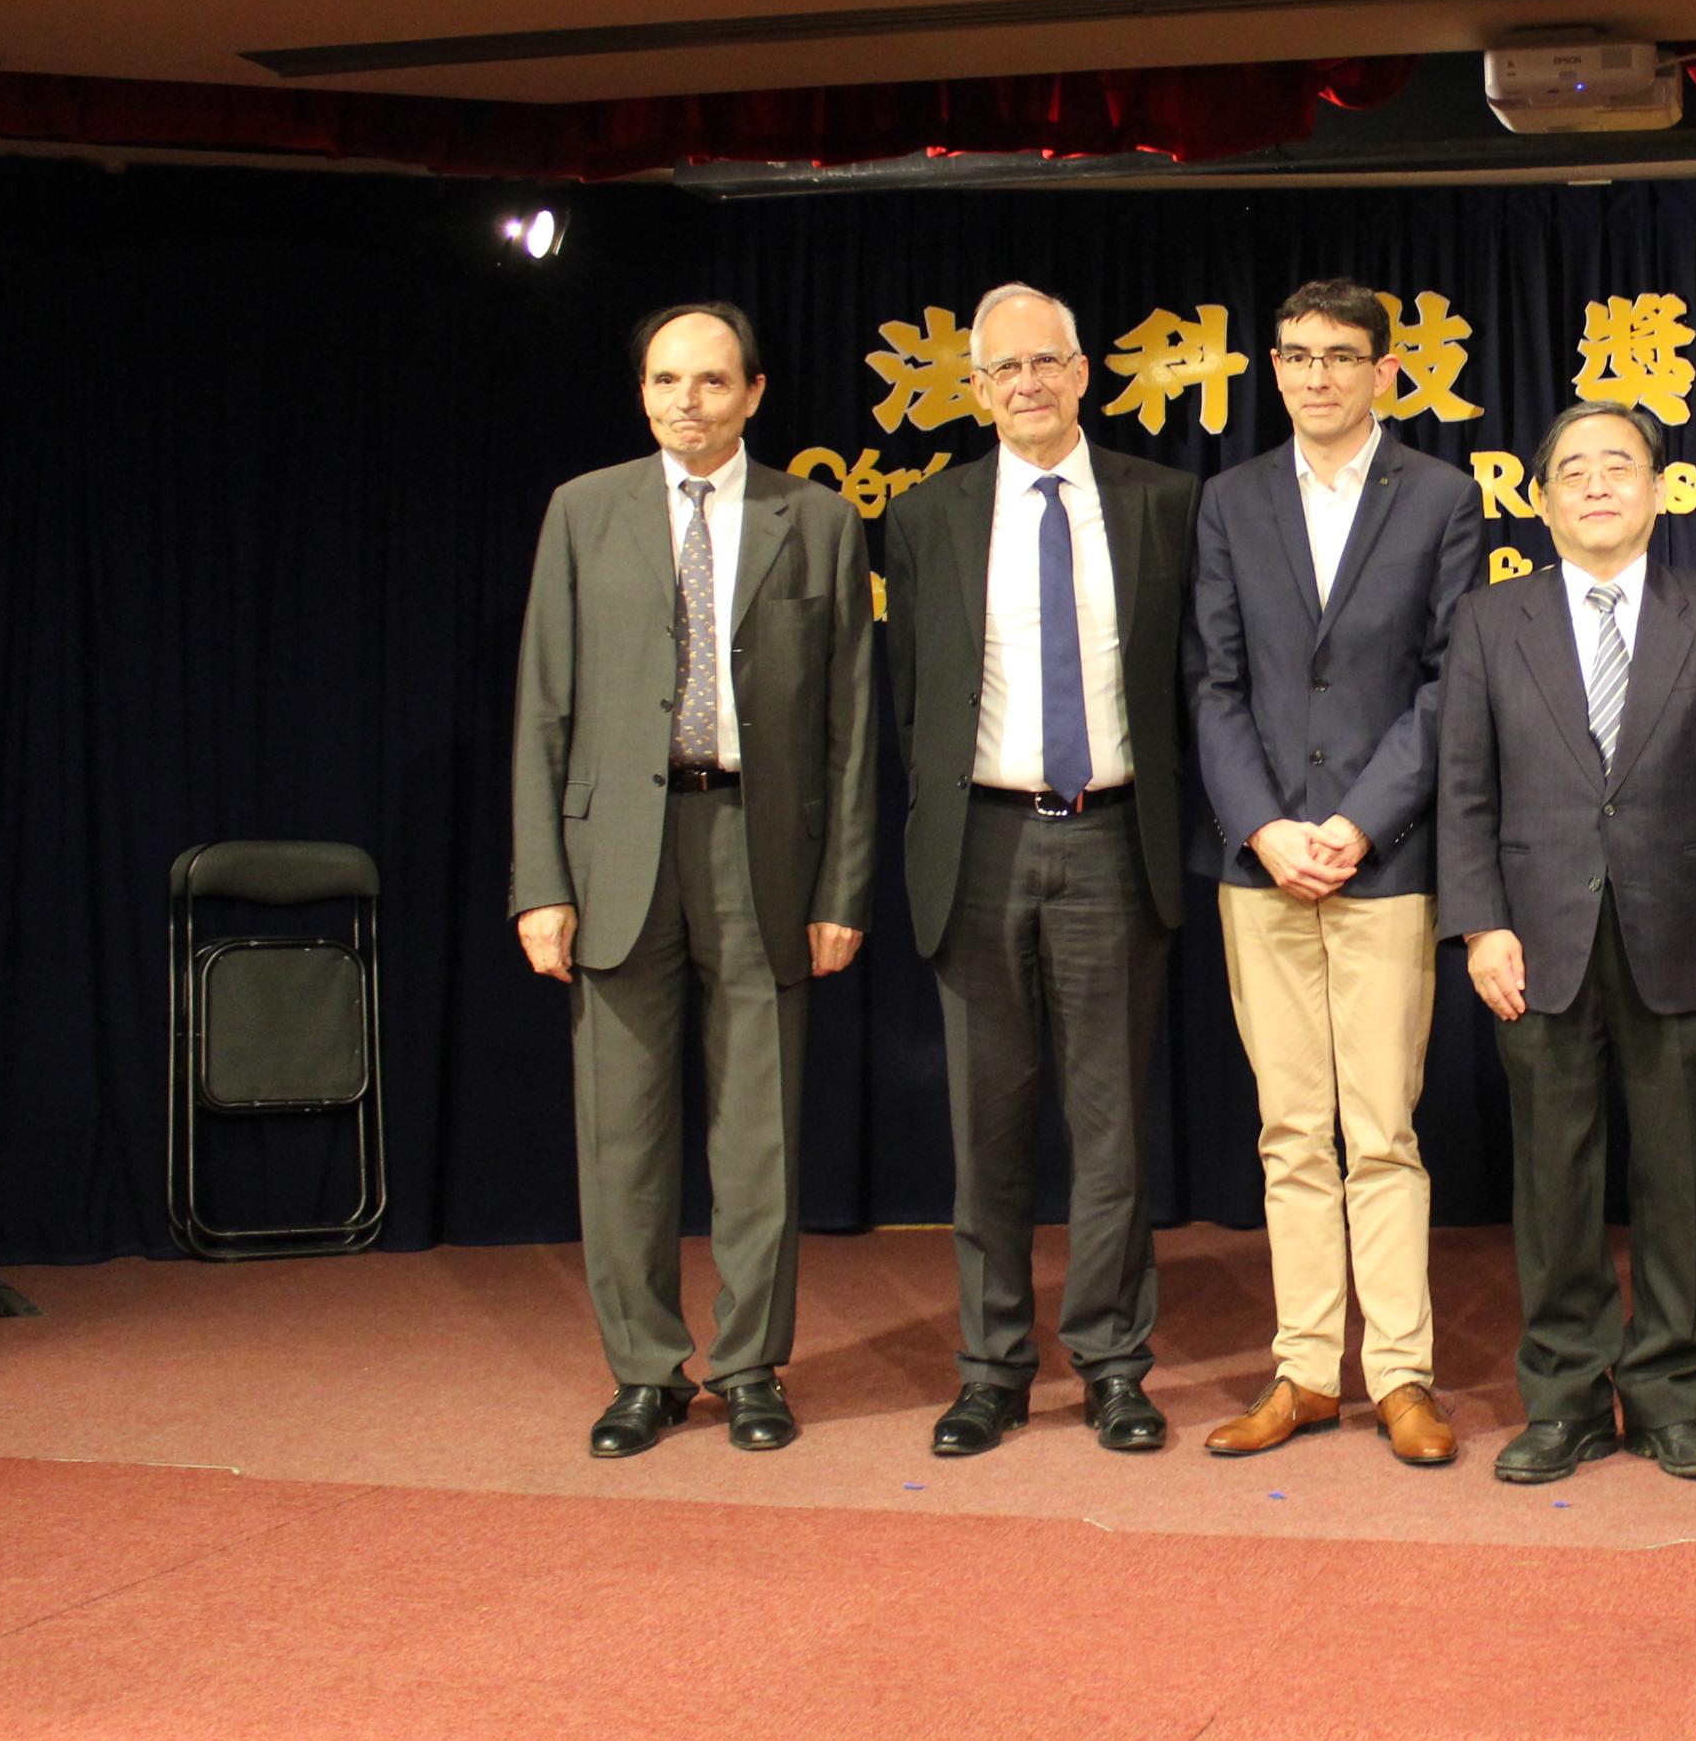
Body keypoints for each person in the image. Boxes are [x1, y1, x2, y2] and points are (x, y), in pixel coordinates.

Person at [511, 303, 880, 1460]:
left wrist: (843, 888)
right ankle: (643, 1373)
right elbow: (543, 706)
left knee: (759, 1133)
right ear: (643, 393)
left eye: (712, 381)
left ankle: (751, 1366)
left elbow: (851, 727)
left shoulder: (817, 520)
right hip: (616, 854)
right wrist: (539, 881)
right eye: (667, 380)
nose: (688, 401)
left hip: (760, 848)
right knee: (621, 1135)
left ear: (754, 393)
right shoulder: (583, 511)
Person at [1437, 401, 1696, 1485]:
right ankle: (1566, 1399)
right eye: (1574, 471)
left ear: (1659, 491)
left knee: (1681, 1179)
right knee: (1554, 1182)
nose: (1596, 485)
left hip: (1686, 935)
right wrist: (1480, 924)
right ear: (1541, 502)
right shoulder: (1491, 621)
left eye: (1618, 466)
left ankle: (1672, 1395)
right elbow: (1464, 787)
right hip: (1536, 941)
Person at [884, 282, 1199, 1459]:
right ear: (976, 389)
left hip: (1115, 839)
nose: (1025, 383)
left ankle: (1114, 1365)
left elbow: (1193, 681)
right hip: (981, 844)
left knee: (1112, 1134)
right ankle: (992, 1370)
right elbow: (911, 701)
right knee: (988, 1133)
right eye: (1002, 368)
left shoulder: (1165, 503)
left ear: (1082, 373)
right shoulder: (927, 517)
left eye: (1045, 362)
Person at [1189, 279, 1485, 1468]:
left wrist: (1358, 823)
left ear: (1384, 372)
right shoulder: (1230, 501)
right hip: (1260, 867)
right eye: (1298, 356)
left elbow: (1449, 683)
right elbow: (1213, 683)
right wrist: (1264, 826)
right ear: (1273, 368)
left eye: (1341, 356)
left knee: (1382, 1131)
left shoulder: (1441, 498)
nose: (1317, 376)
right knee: (1290, 1131)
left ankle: (1401, 1375)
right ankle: (1307, 1372)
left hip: (1385, 862)